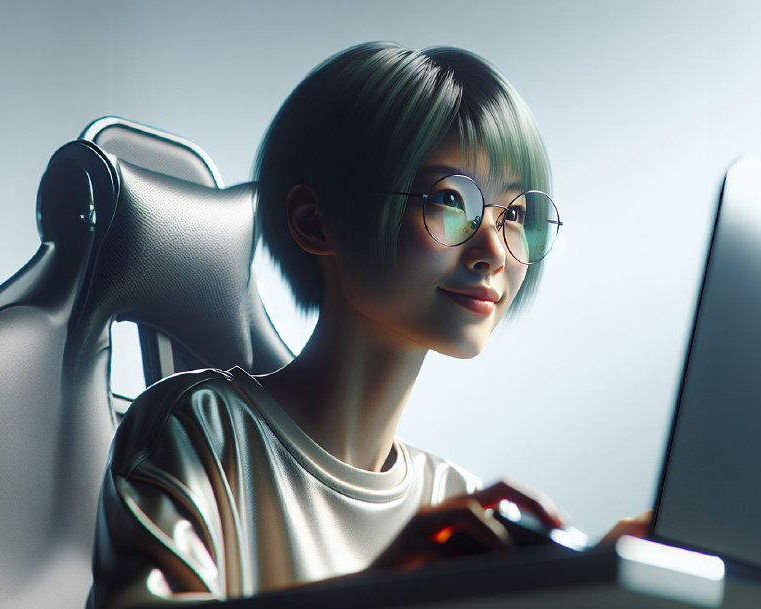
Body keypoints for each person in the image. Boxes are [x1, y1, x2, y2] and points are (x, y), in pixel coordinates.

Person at [88, 42, 647, 609]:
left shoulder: (458, 502)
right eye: (451, 200)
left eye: (516, 215)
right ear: (315, 221)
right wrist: (383, 589)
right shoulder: (200, 430)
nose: (493, 252)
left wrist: (596, 587)